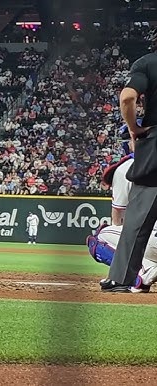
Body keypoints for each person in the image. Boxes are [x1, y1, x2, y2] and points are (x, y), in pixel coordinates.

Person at [102, 42, 157, 292]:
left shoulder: (147, 62)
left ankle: (122, 279)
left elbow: (127, 97)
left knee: (138, 219)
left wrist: (134, 129)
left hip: (154, 146)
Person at [88, 123, 157, 292]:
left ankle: (136, 272)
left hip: (153, 241)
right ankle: (149, 267)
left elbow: (117, 218)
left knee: (99, 237)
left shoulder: (126, 167)